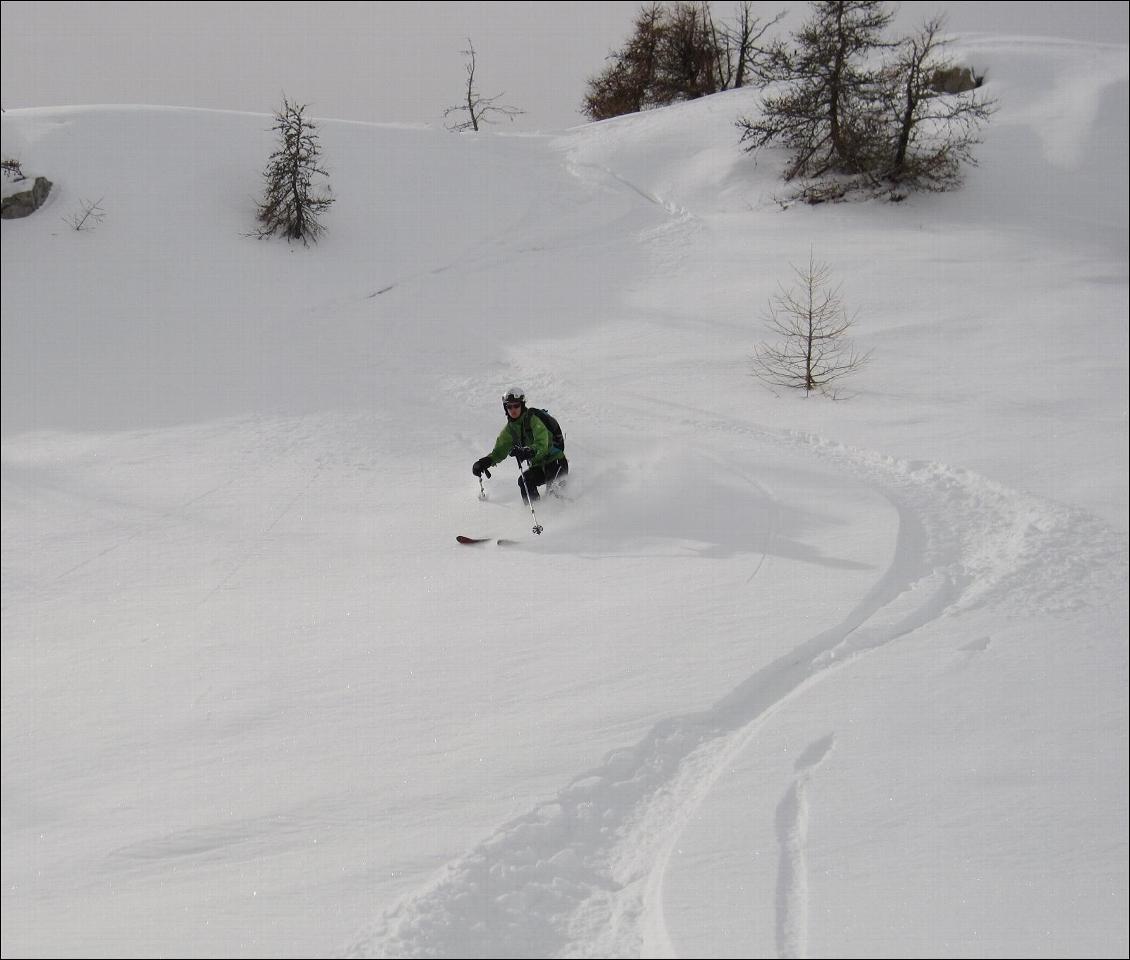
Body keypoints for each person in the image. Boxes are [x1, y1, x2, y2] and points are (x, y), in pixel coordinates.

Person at [472, 388, 569, 504]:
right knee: (525, 481)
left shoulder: (533, 420)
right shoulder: (510, 430)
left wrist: (528, 451)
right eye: (509, 406)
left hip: (556, 462)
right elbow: (499, 451)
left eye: (516, 406)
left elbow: (543, 444)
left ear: (522, 405)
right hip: (539, 467)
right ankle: (536, 510)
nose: (513, 409)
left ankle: (569, 513)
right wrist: (484, 462)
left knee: (554, 496)